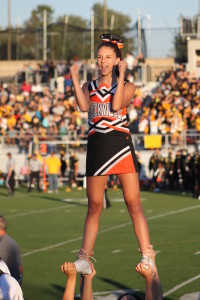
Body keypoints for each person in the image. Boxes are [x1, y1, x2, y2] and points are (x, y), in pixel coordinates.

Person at [70, 33, 157, 277]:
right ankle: (84, 258)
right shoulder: (90, 86)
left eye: (108, 57)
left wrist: (121, 75)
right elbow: (84, 106)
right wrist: (75, 79)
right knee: (94, 205)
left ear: (118, 59)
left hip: (119, 144)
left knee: (133, 202)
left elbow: (117, 104)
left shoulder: (128, 86)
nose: (102, 61)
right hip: (97, 145)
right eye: (99, 57)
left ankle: (147, 253)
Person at [0, 215, 23, 284]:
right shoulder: (12, 242)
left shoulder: (2, 245)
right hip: (13, 285)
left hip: (5, 287)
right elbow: (20, 268)